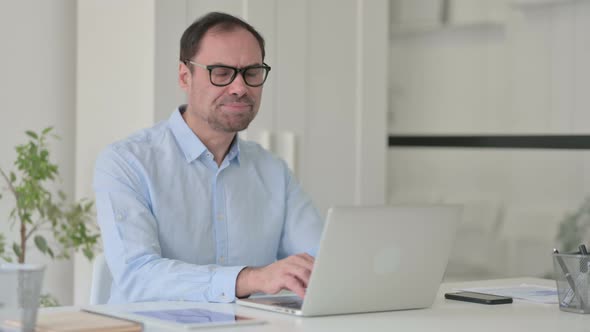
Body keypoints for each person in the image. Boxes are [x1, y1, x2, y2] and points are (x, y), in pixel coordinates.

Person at [93, 12, 323, 304]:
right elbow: (138, 276)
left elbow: (320, 261)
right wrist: (250, 278)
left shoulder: (273, 171)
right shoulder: (126, 162)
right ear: (184, 76)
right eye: (221, 72)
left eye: (251, 72)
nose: (240, 88)